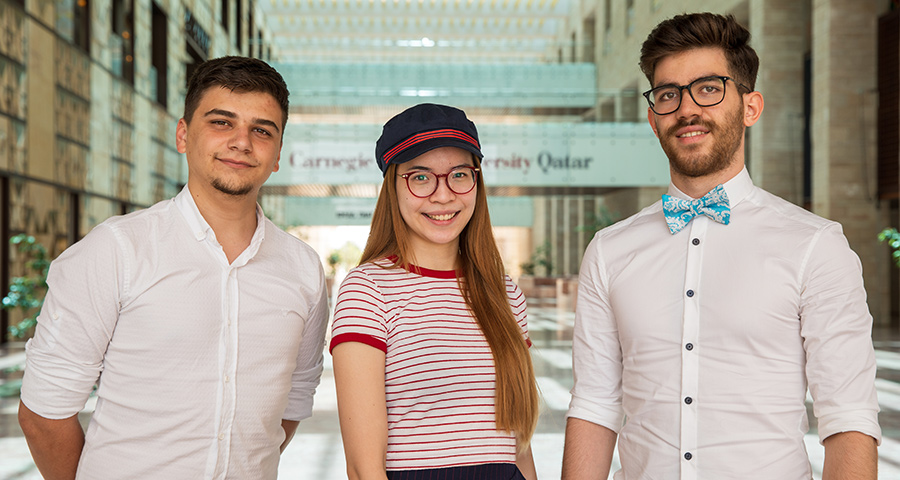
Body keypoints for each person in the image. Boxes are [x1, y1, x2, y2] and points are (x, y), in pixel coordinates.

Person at [562, 12, 881, 480]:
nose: (686, 109)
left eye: (709, 88)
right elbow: (594, 404)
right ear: (653, 119)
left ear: (750, 107)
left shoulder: (815, 245)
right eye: (668, 95)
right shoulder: (609, 251)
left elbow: (848, 417)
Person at [17, 56, 329, 479]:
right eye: (221, 122)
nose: (241, 142)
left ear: (276, 155)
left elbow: (292, 402)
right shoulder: (116, 250)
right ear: (183, 135)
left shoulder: (302, 268)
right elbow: (43, 414)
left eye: (261, 130)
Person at [330, 103, 540, 480]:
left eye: (459, 174)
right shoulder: (367, 290)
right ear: (393, 188)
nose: (444, 196)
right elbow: (365, 468)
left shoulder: (506, 294)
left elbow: (518, 449)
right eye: (420, 178)